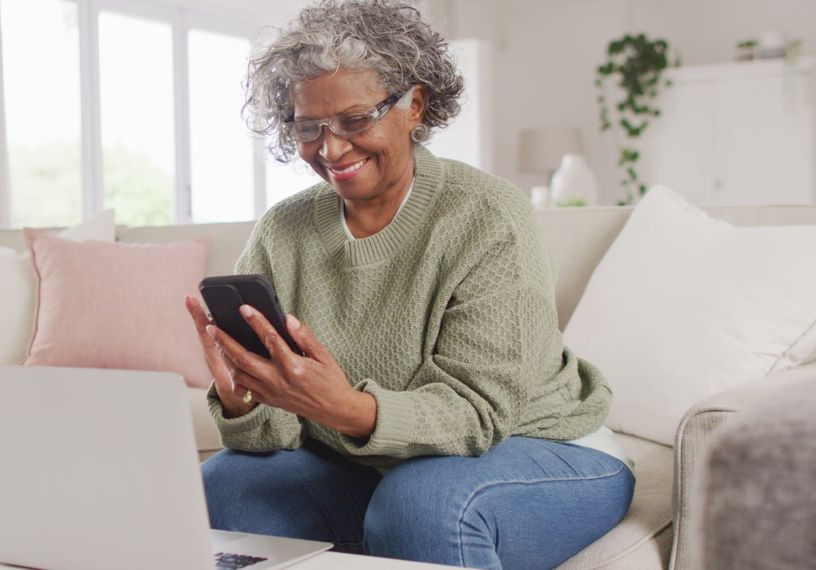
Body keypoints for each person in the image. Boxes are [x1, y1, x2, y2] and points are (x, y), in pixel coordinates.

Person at [183, 1, 635, 568]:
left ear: (414, 105)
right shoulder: (284, 230)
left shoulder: (487, 216)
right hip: (376, 464)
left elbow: (479, 415)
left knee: (420, 504)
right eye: (308, 127)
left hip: (539, 446)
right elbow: (276, 434)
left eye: (354, 120)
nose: (331, 149)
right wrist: (243, 395)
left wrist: (345, 407)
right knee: (227, 483)